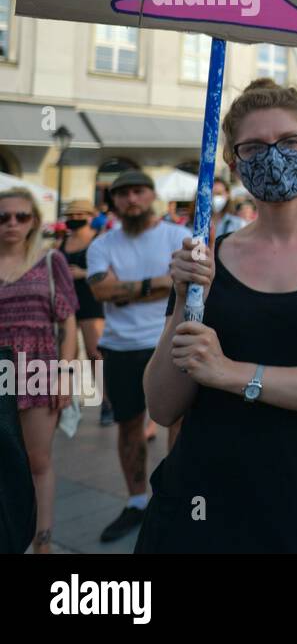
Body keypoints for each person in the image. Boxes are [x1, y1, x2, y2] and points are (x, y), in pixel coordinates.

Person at [136, 79, 297, 553]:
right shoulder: (207, 258)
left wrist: (234, 374)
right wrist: (184, 300)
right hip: (203, 506)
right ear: (233, 164)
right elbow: (163, 406)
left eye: (291, 142)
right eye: (253, 147)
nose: (273, 157)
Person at [86, 170, 191, 544]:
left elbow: (190, 287)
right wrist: (160, 282)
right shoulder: (102, 245)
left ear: (152, 195)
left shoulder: (178, 237)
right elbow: (104, 290)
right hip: (120, 346)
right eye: (123, 194)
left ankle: (175, 500)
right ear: (113, 201)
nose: (132, 199)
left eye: (138, 191)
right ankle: (136, 502)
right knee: (128, 426)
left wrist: (128, 289)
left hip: (169, 340)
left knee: (178, 425)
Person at [0, 187, 78, 553]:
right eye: (3, 217)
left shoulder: (49, 261)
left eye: (21, 216)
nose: (12, 223)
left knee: (38, 460)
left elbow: (69, 321)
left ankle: (42, 539)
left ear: (33, 221)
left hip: (38, 368)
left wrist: (66, 374)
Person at [59, 198, 110, 424]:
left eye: (79, 215)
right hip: (65, 302)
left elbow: (110, 272)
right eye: (70, 215)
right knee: (66, 356)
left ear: (90, 216)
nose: (74, 219)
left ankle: (107, 401)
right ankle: (70, 404)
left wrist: (83, 273)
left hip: (91, 300)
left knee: (94, 353)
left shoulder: (99, 241)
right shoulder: (62, 242)